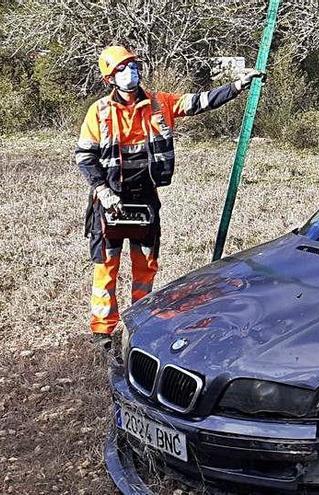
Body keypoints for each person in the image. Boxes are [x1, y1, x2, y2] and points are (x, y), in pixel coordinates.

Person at [75, 46, 263, 351]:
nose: (130, 73)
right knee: (106, 266)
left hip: (145, 199)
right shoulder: (99, 112)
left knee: (145, 263)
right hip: (110, 201)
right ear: (110, 77)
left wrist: (237, 86)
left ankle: (139, 324)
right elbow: (85, 156)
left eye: (133, 66)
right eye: (122, 69)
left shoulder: (160, 104)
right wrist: (102, 190)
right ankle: (103, 330)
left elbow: (198, 102)